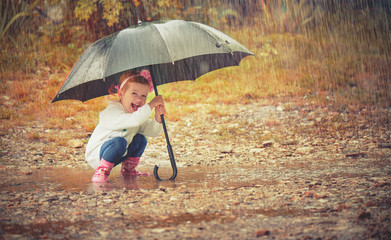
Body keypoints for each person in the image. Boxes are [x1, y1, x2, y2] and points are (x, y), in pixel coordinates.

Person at [85, 69, 166, 183]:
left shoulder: (134, 115)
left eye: (144, 95)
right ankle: (101, 171)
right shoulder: (112, 111)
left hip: (119, 153)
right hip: (99, 155)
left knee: (140, 139)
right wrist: (151, 104)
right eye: (134, 93)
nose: (139, 99)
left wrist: (158, 118)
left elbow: (151, 131)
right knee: (120, 142)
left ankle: (128, 169)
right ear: (121, 94)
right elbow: (134, 120)